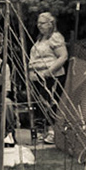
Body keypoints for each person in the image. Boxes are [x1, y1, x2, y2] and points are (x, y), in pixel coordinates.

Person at [26, 10, 70, 142]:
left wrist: (48, 72)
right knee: (39, 104)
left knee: (50, 103)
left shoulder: (55, 38)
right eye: (38, 23)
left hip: (51, 76)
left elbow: (63, 56)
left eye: (43, 23)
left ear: (50, 24)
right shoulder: (40, 39)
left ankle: (51, 131)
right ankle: (41, 131)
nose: (39, 26)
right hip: (37, 76)